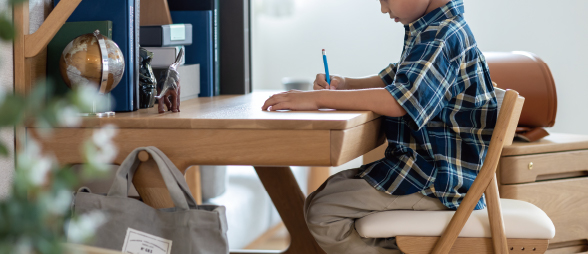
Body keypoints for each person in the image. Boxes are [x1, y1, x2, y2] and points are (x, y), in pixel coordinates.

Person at [262, 0, 497, 253]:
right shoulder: (437, 28)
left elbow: (401, 100)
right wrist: (346, 84)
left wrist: (317, 99)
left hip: (437, 181)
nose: (384, 9)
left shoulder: (441, 36)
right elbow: (400, 77)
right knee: (320, 199)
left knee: (323, 210)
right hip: (426, 169)